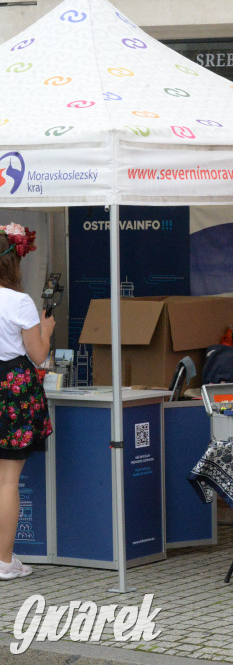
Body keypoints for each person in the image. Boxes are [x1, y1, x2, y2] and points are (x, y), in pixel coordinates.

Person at [0, 223, 54, 581]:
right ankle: (4, 561)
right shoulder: (19, 301)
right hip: (11, 388)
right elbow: (37, 355)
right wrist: (46, 331)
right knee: (7, 480)